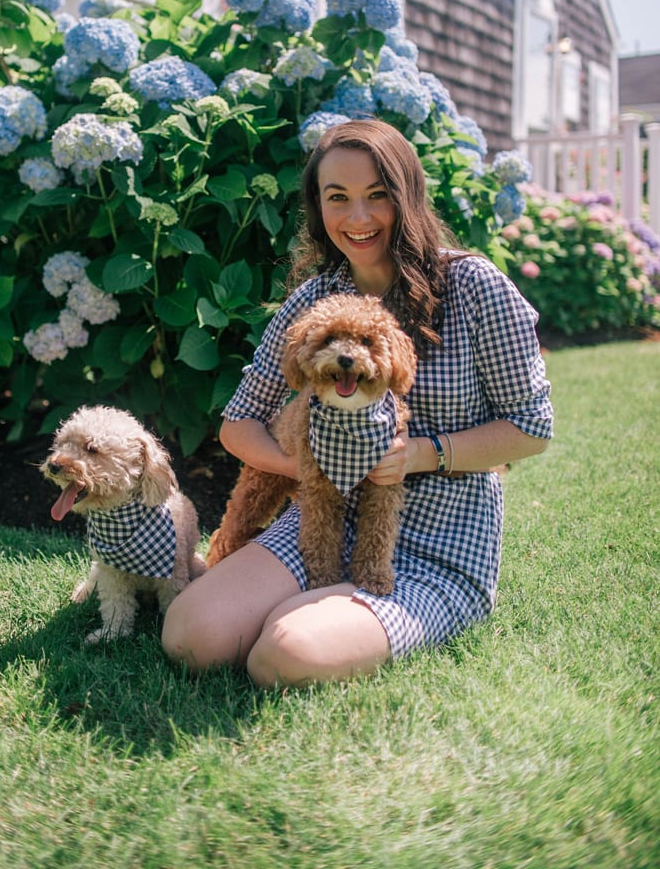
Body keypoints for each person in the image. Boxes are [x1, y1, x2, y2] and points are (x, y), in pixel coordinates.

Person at [162, 119, 553, 686]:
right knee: (190, 637)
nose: (359, 217)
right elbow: (239, 422)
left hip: (440, 541)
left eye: (378, 195)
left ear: (407, 195)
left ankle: (328, 616)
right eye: (338, 198)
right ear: (318, 206)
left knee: (285, 654)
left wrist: (419, 454)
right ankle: (305, 605)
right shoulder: (316, 298)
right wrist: (313, 469)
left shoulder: (474, 288)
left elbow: (532, 427)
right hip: (321, 524)